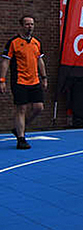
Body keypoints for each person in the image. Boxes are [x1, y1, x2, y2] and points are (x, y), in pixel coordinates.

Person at [0, 16, 47, 149]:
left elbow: (40, 60)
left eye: (32, 24)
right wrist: (2, 80)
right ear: (21, 26)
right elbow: (5, 61)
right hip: (20, 81)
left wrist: (44, 78)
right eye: (27, 24)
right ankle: (21, 138)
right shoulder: (13, 42)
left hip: (35, 80)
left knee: (38, 108)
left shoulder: (36, 43)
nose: (30, 26)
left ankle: (20, 127)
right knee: (21, 109)